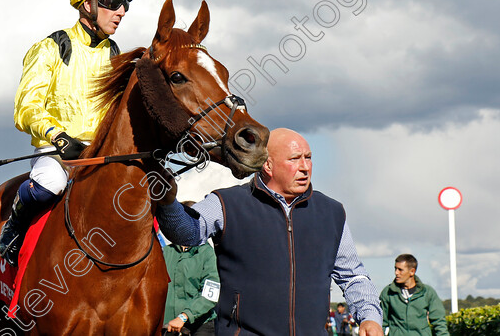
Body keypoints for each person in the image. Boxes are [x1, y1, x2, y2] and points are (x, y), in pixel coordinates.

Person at [156, 128, 384, 336]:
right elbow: (186, 232)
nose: (305, 166)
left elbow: (353, 276)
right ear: (268, 165)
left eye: (308, 157)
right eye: (295, 159)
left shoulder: (332, 212)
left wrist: (370, 318)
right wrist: (168, 203)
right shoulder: (226, 203)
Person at [0, 0, 144, 266]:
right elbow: (25, 109)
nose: (121, 12)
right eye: (113, 2)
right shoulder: (50, 47)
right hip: (56, 153)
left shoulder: (115, 54)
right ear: (86, 3)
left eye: (125, 4)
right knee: (50, 185)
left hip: (99, 154)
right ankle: (14, 228)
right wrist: (58, 136)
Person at [162, 202, 219, 336]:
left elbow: (210, 294)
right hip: (168, 326)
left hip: (201, 326)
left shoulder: (207, 253)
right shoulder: (165, 252)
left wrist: (184, 316)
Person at [380, 254, 449, 336]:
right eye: (395, 269)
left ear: (412, 271)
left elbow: (439, 323)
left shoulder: (427, 292)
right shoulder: (387, 292)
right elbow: (380, 323)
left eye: (400, 270)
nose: (396, 273)